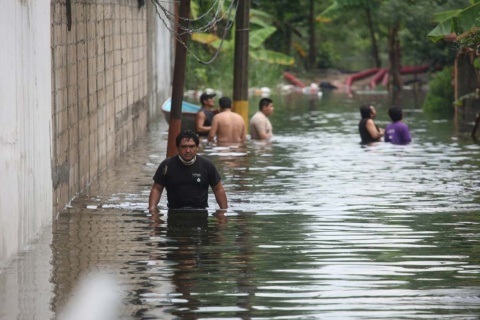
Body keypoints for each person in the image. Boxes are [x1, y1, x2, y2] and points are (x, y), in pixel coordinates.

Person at [148, 130, 228, 211]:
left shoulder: (207, 165)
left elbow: (218, 189)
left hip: (200, 214)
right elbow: (157, 189)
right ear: (178, 148)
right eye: (184, 147)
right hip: (174, 213)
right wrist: (152, 211)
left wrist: (224, 212)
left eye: (191, 146)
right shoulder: (167, 165)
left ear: (197, 147)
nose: (188, 151)